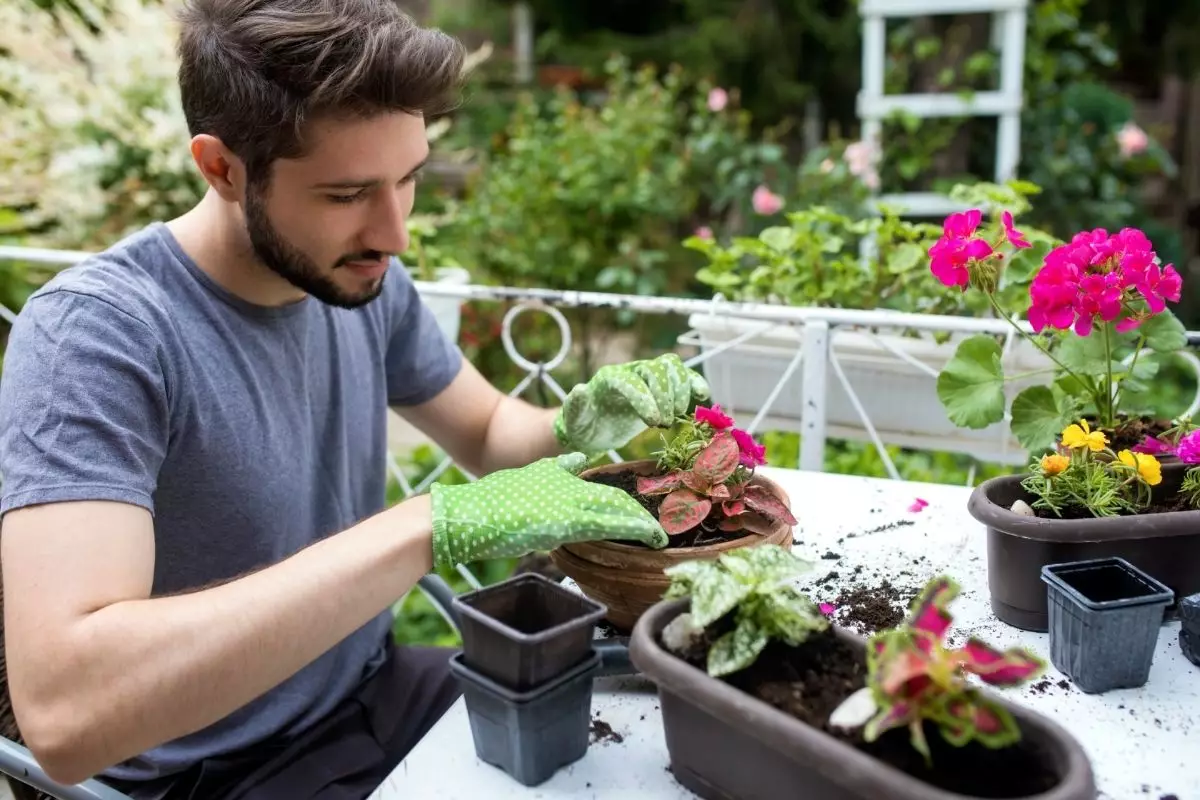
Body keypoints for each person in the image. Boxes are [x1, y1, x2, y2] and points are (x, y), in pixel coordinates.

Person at [0, 0, 710, 797]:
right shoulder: (99, 336)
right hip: (216, 768)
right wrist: (429, 524)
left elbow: (485, 430)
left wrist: (578, 422)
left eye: (408, 179)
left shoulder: (362, 279)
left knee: (661, 750)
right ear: (222, 167)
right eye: (346, 195)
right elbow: (65, 715)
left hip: (374, 691)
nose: (396, 232)